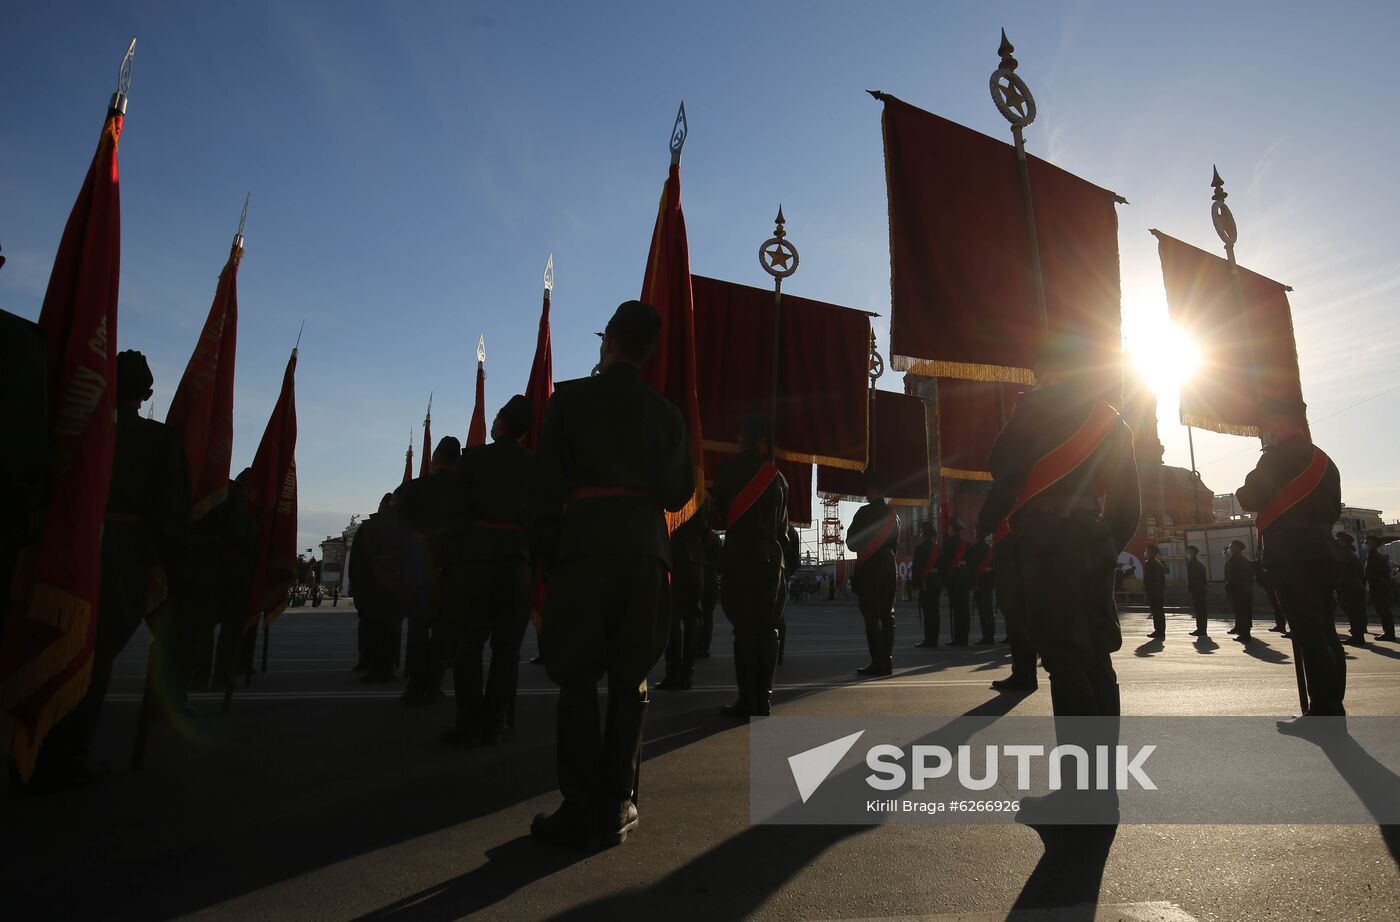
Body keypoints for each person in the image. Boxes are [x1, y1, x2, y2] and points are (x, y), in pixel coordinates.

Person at [529, 300, 693, 848]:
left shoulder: (569, 400)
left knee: (577, 680)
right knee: (631, 679)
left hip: (583, 549)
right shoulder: (667, 413)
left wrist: (548, 552)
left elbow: (546, 484)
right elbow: (678, 492)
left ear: (611, 344)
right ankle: (619, 803)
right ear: (645, 353)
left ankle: (579, 805)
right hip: (645, 552)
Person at [32, 351, 191, 786]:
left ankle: (32, 745)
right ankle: (65, 754)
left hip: (67, 543)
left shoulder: (73, 424)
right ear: (147, 394)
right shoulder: (160, 442)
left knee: (55, 643)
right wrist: (173, 571)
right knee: (96, 656)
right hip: (124, 557)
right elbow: (172, 514)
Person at [977, 335, 1140, 721]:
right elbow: (1128, 502)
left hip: (1046, 539)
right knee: (1098, 652)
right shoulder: (1112, 420)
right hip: (1094, 535)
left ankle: (1078, 760)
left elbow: (1001, 466)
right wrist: (1107, 543)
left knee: (1064, 654)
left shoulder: (1035, 407)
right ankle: (1103, 757)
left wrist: (1029, 407)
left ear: (1049, 370)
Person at [1235, 394, 1345, 726]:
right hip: (1323, 548)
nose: (1264, 432)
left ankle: (1323, 711)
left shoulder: (1276, 458)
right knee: (1324, 628)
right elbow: (1334, 509)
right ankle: (1332, 703)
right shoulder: (1325, 461)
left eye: (1268, 425)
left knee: (1308, 630)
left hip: (1291, 551)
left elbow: (1250, 498)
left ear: (1282, 423)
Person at [445, 398, 534, 744]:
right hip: (516, 563)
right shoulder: (535, 465)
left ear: (502, 424)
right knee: (507, 647)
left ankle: (468, 720)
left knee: (469, 643)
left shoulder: (473, 459)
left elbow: (455, 513)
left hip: (476, 561)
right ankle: (496, 720)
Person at [710, 417, 788, 717]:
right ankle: (764, 698)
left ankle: (746, 699)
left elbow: (716, 516)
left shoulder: (727, 472)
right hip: (771, 560)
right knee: (768, 630)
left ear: (743, 438)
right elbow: (783, 529)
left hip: (739, 559)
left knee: (744, 631)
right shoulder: (778, 478)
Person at [395, 438, 464, 705]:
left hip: (420, 568)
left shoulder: (414, 489)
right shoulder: (465, 490)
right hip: (453, 569)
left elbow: (400, 532)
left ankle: (415, 685)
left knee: (418, 628)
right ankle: (435, 684)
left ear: (435, 459)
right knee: (443, 630)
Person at [657, 493, 712, 691]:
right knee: (693, 616)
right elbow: (707, 530)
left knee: (672, 616)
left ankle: (673, 673)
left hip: (674, 554)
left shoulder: (673, 491)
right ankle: (687, 672)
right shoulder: (704, 496)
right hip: (696, 559)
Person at [847, 471, 900, 676]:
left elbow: (851, 543)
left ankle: (877, 662)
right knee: (888, 615)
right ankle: (888, 661)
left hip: (870, 567)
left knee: (871, 615)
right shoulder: (894, 516)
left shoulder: (864, 513)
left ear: (872, 488)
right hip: (889, 566)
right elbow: (895, 546)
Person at [938, 518, 972, 646]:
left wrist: (944, 580)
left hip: (954, 578)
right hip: (965, 577)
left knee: (956, 609)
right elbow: (971, 563)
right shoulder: (966, 544)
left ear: (951, 529)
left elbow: (944, 562)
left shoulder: (948, 542)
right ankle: (965, 637)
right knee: (965, 609)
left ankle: (958, 638)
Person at [1334, 532, 1368, 646]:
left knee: (1353, 613)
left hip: (1349, 588)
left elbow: (1343, 572)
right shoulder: (1350, 554)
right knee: (1355, 613)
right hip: (1354, 587)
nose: (1337, 542)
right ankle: (1358, 635)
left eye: (1339, 540)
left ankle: (1357, 637)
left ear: (1344, 542)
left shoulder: (1345, 554)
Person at [911, 522, 941, 647]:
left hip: (926, 582)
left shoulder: (920, 548)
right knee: (935, 611)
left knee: (928, 612)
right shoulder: (937, 548)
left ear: (923, 533)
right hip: (936, 582)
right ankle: (935, 639)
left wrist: (916, 584)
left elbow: (916, 568)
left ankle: (929, 639)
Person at [964, 533, 997, 644]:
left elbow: (971, 567)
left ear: (977, 535)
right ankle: (990, 635)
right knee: (989, 609)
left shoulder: (973, 548)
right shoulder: (989, 548)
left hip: (979, 580)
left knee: (983, 610)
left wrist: (972, 583)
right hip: (988, 580)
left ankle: (986, 636)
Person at [1364, 535, 1396, 641]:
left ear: (1373, 543)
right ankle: (1389, 633)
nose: (1366, 544)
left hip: (1379, 588)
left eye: (1368, 542)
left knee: (1383, 611)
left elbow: (1371, 573)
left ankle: (1389, 634)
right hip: (1382, 587)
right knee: (1384, 611)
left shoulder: (1373, 555)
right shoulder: (1378, 555)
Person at [1223, 540, 1254, 642]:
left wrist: (1232, 585)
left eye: (1231, 546)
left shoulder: (1237, 560)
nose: (1229, 549)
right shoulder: (1241, 560)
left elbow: (1234, 577)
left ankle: (1245, 635)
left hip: (1239, 590)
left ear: (1236, 548)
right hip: (1242, 589)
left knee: (1242, 612)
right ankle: (1244, 632)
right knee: (1242, 612)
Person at [1143, 544, 1166, 639]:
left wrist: (1146, 589)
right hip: (1158, 590)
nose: (1145, 553)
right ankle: (1161, 631)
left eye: (1146, 551)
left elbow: (1147, 579)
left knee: (1156, 611)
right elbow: (1163, 579)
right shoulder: (1158, 563)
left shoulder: (1149, 563)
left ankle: (1158, 631)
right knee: (1159, 611)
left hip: (1152, 590)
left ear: (1150, 552)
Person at [1186, 545, 1209, 637]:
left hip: (1197, 589)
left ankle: (1201, 629)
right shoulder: (1197, 564)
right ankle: (1201, 629)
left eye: (1188, 552)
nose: (1186, 554)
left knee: (1200, 610)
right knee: (1200, 610)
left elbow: (1193, 578)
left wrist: (1190, 588)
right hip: (1200, 589)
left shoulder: (1193, 564)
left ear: (1192, 553)